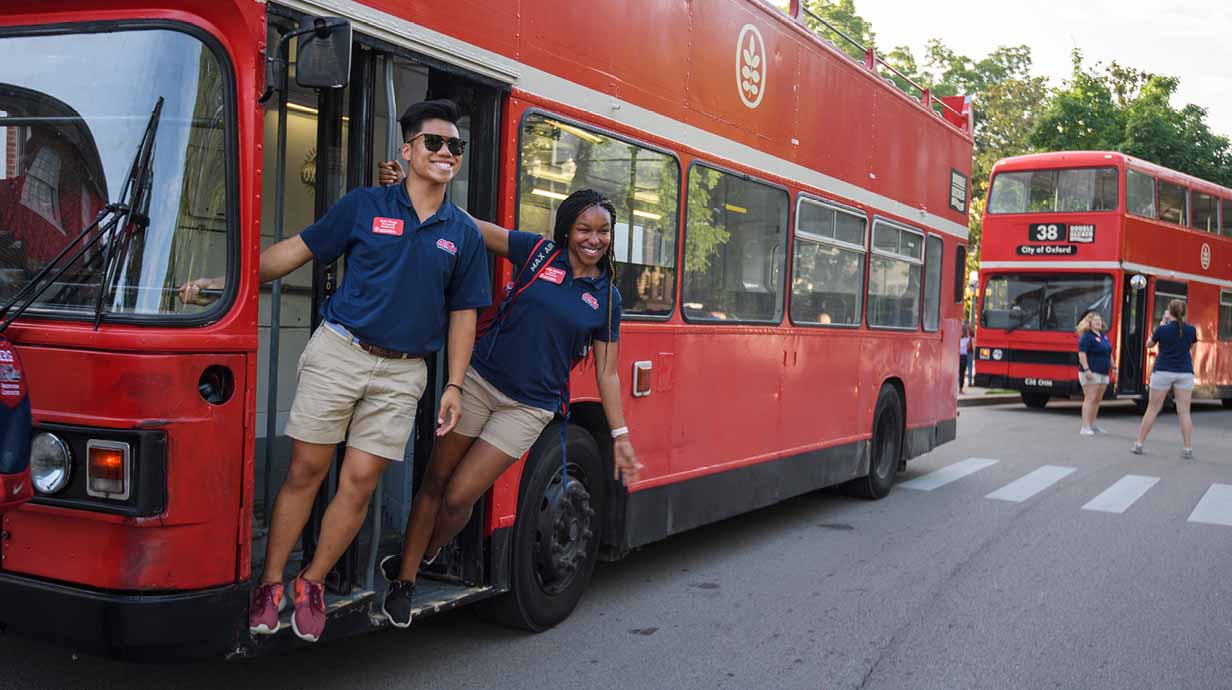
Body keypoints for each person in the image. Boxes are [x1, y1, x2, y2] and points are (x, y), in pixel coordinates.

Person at [180, 99, 491, 642]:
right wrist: (228, 281)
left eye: (455, 147)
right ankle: (270, 583)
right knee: (305, 471)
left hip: (402, 373)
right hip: (339, 353)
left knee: (360, 482)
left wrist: (455, 385)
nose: (447, 153)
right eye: (435, 143)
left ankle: (313, 582)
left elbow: (464, 315)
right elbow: (298, 251)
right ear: (409, 150)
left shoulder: (461, 233)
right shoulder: (365, 205)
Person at [368, 176, 639, 627]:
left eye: (603, 231)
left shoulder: (606, 298)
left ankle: (430, 547)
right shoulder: (535, 253)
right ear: (567, 229)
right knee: (435, 482)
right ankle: (405, 582)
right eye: (585, 229)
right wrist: (415, 188)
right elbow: (468, 224)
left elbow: (607, 373)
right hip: (478, 383)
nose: (594, 239)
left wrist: (621, 433)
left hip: (528, 409)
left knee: (458, 497)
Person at [1132, 299, 1198, 458]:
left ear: (1170, 312)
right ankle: (1187, 448)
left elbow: (1149, 344)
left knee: (1152, 409)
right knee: (1184, 412)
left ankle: (1139, 443)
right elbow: (1190, 348)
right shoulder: (1191, 330)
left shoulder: (1162, 329)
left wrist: (1161, 325)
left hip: (1163, 371)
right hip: (1184, 372)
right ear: (1184, 312)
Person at [1076, 312, 1115, 435]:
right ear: (1089, 323)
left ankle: (1093, 425)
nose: (1098, 322)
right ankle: (1085, 426)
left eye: (1099, 320)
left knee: (1097, 399)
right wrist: (1087, 369)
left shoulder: (1104, 336)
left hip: (1103, 373)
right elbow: (1082, 354)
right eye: (1095, 320)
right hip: (1091, 372)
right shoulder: (1086, 336)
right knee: (1090, 398)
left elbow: (1109, 352)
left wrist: (1113, 367)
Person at [958, 323, 971, 393]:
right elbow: (969, 347)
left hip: (958, 356)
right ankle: (960, 389)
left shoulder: (957, 337)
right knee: (962, 373)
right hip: (964, 356)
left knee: (956, 373)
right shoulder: (968, 338)